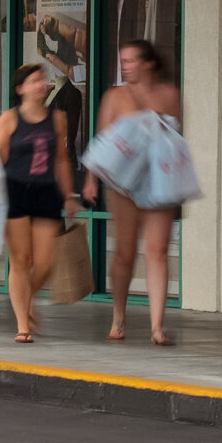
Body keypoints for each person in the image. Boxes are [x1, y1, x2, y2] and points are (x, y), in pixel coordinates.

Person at [82, 39, 182, 346]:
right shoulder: (114, 97)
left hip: (159, 182)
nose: (124, 66)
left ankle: (157, 327)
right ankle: (118, 317)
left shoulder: (170, 95)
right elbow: (101, 142)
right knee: (125, 253)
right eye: (122, 61)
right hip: (123, 184)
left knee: (158, 252)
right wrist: (91, 179)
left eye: (131, 61)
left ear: (148, 63)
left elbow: (178, 141)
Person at [0, 63, 80, 343]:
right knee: (21, 260)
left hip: (46, 193)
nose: (41, 84)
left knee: (45, 263)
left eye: (42, 79)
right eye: (33, 81)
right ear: (20, 89)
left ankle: (25, 298)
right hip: (15, 192)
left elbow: (61, 160)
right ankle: (23, 326)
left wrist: (68, 194)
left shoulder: (58, 119)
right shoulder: (9, 119)